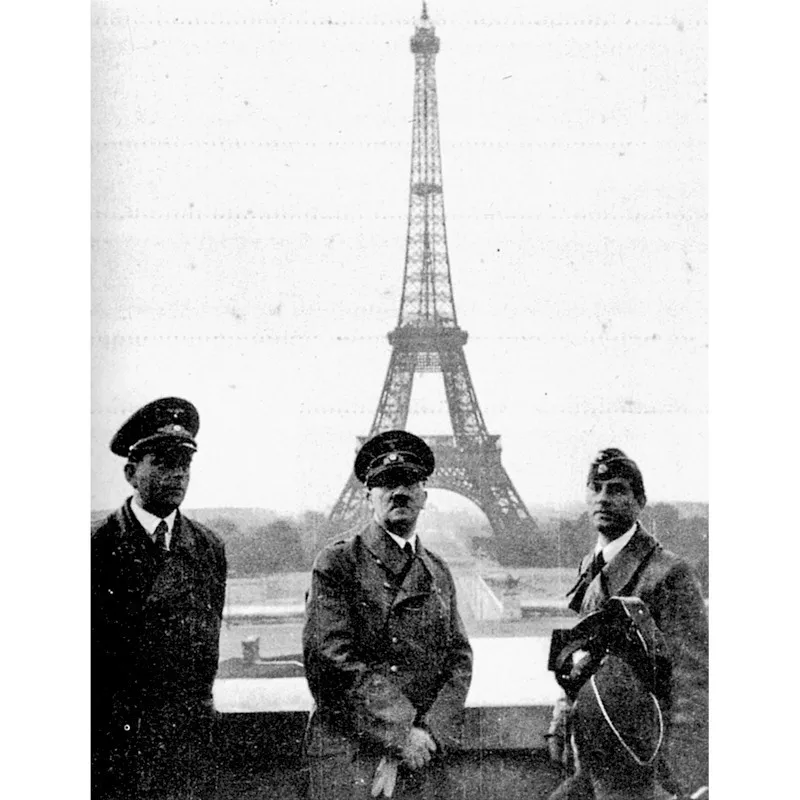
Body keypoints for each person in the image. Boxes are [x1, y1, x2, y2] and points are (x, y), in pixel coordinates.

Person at [302, 430, 473, 800]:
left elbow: (459, 661)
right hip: (353, 756)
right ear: (368, 496)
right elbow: (329, 660)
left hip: (420, 757)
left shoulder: (438, 571)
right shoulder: (337, 563)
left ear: (424, 496)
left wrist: (429, 733)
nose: (399, 492)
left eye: (409, 482)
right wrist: (400, 731)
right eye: (386, 483)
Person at [547, 448, 708, 800]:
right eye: (596, 487)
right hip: (591, 759)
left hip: (640, 768)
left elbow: (693, 686)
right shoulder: (590, 566)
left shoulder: (668, 574)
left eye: (617, 489)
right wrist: (563, 715)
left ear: (640, 502)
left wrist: (675, 780)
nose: (604, 498)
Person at [91, 398, 227, 800]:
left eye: (184, 464)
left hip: (188, 744)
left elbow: (206, 648)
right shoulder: (96, 547)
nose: (177, 475)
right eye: (163, 462)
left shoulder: (208, 548)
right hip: (118, 745)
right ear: (132, 473)